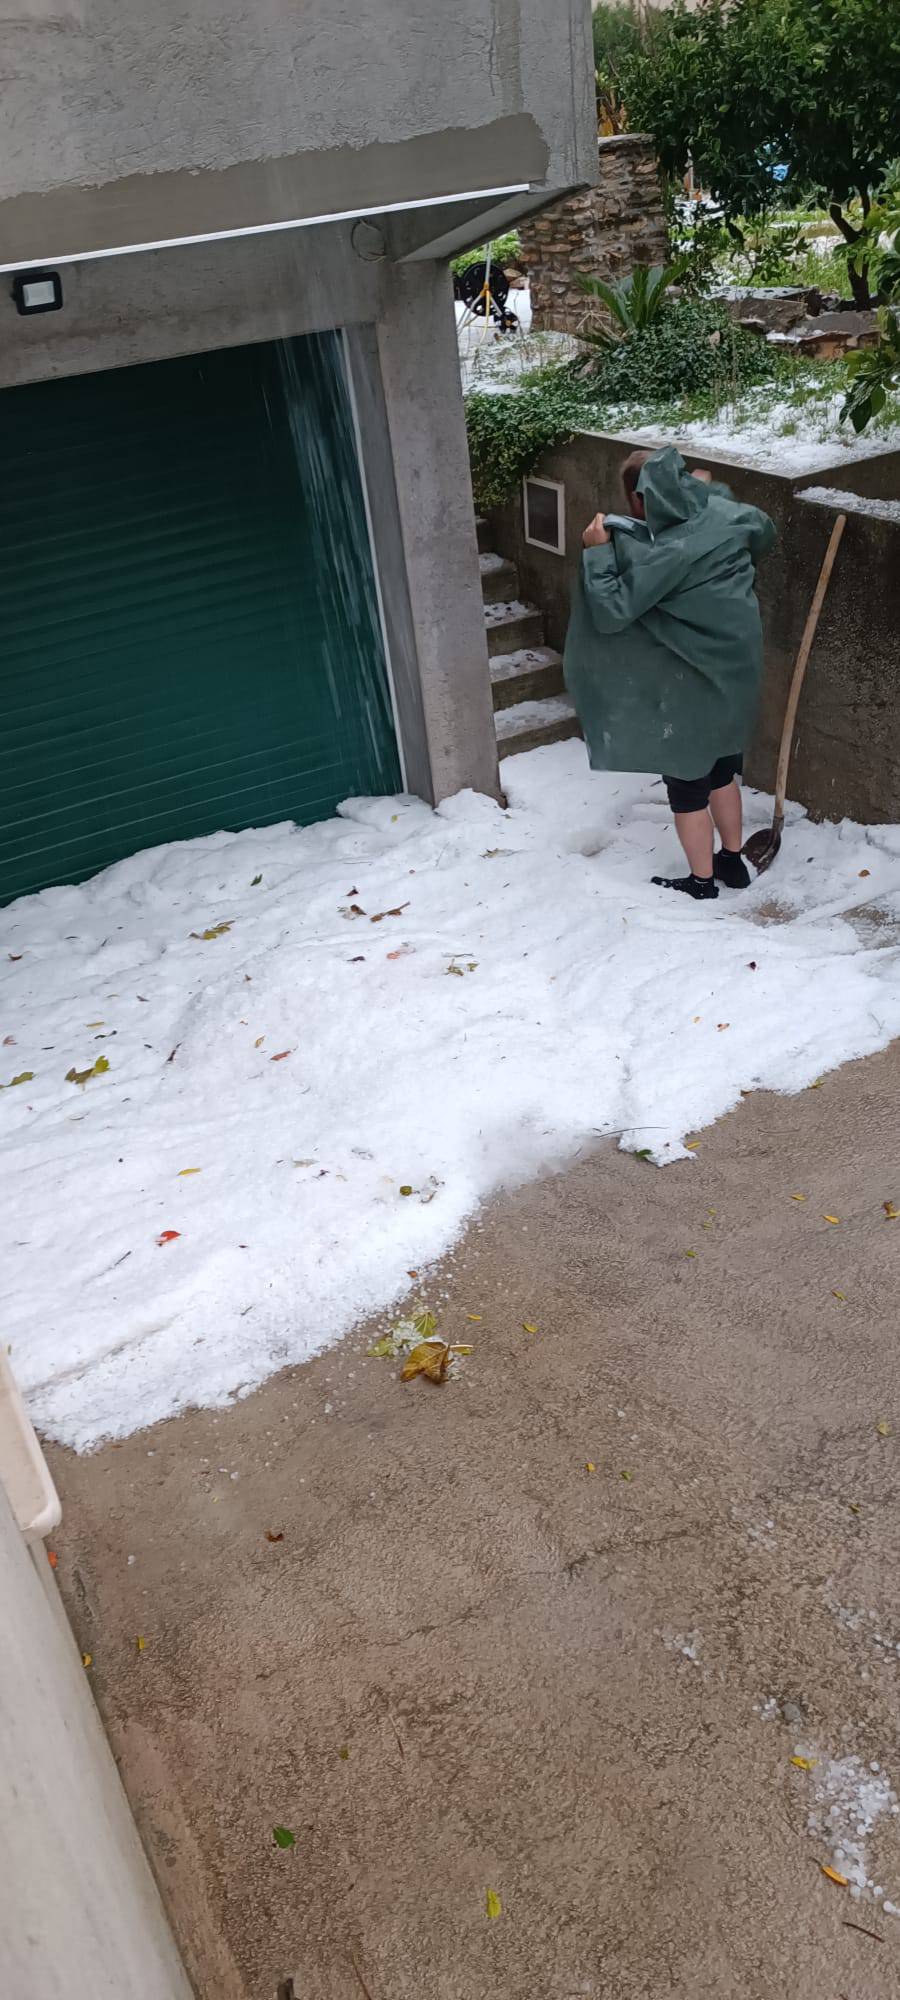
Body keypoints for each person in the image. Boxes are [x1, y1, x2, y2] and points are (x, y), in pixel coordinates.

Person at [564, 445, 776, 899]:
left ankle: (702, 883)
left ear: (640, 502)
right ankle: (732, 863)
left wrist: (597, 553)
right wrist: (706, 491)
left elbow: (612, 611)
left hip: (692, 688)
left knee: (688, 789)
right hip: (736, 677)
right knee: (723, 771)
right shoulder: (730, 516)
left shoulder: (661, 554)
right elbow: (762, 531)